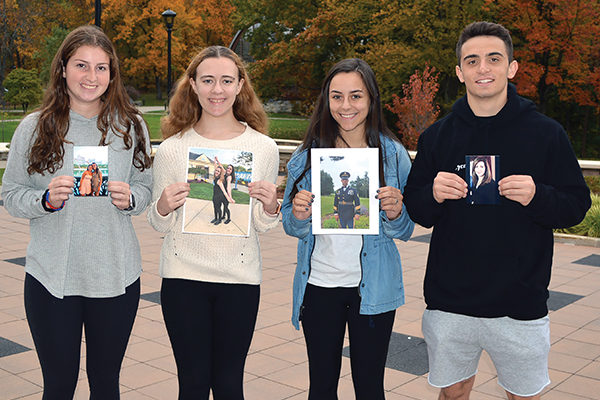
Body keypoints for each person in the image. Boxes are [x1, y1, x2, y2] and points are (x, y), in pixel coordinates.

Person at [403, 21, 591, 400]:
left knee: (523, 396)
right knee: (452, 394)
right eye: (472, 61)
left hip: (519, 302)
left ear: (512, 67)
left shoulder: (546, 133)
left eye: (493, 58)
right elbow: (417, 208)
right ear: (460, 72)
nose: (483, 68)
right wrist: (433, 194)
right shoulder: (437, 136)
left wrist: (539, 195)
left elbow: (576, 206)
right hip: (450, 302)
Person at [1, 25, 152, 399]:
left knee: (106, 385)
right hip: (52, 277)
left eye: (102, 68)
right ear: (63, 69)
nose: (91, 77)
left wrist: (131, 198)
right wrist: (45, 201)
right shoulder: (35, 127)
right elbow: (10, 195)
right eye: (82, 65)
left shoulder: (131, 126)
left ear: (112, 73)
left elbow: (146, 189)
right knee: (58, 386)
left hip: (116, 277)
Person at [147, 45, 280, 400]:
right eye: (207, 80)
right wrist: (162, 207)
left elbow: (263, 226)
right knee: (191, 384)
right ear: (192, 84)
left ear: (240, 86)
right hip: (183, 279)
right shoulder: (174, 149)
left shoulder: (262, 148)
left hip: (239, 280)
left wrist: (269, 207)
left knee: (228, 385)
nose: (216, 90)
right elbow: (158, 225)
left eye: (226, 80)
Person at [281, 58, 414, 400]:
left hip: (373, 289)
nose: (346, 106)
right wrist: (298, 214)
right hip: (319, 285)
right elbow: (289, 223)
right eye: (337, 96)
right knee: (322, 386)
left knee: (369, 388)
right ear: (326, 100)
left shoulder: (392, 155)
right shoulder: (308, 155)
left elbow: (407, 229)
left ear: (371, 99)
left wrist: (396, 211)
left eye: (356, 96)